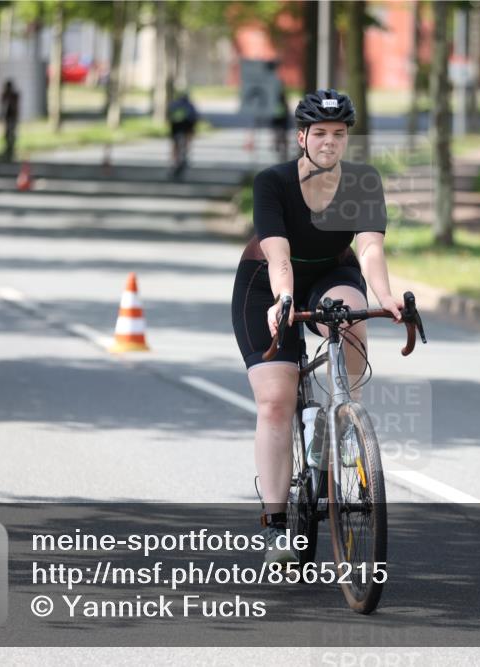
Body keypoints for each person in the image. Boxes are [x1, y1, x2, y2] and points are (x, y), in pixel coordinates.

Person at [230, 89, 402, 565]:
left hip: (331, 272)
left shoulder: (363, 181)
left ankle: (346, 420)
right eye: (320, 133)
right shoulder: (273, 182)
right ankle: (275, 526)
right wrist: (283, 299)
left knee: (351, 315)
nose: (330, 142)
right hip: (266, 282)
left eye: (339, 134)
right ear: (302, 137)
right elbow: (278, 256)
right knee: (275, 400)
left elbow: (370, 247)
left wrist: (385, 296)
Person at [167, 90, 198, 179]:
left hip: (175, 126)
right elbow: (195, 117)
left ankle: (174, 160)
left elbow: (169, 115)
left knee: (175, 143)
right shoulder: (190, 105)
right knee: (188, 139)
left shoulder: (174, 104)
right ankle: (185, 154)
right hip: (187, 125)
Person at [0, 80, 20, 161]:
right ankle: (7, 148)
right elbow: (3, 105)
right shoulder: (5, 95)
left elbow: (16, 106)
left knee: (12, 133)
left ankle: (11, 148)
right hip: (7, 117)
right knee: (7, 133)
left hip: (12, 117)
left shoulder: (14, 96)